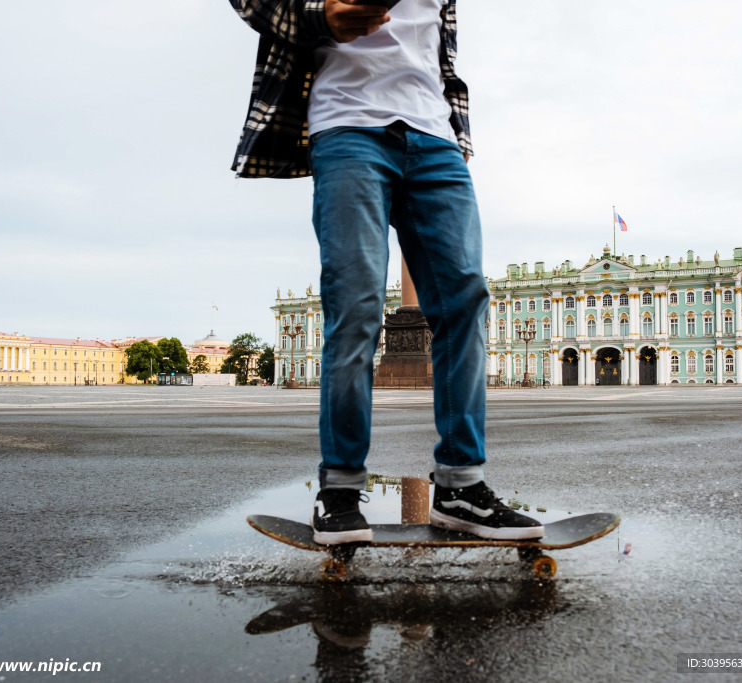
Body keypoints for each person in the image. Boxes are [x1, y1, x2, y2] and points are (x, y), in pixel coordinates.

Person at [230, 0, 542, 544]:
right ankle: (341, 491)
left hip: (434, 133)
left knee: (466, 299)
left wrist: (455, 138)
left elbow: (436, 49)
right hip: (347, 123)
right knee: (355, 307)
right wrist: (316, 15)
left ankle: (461, 488)